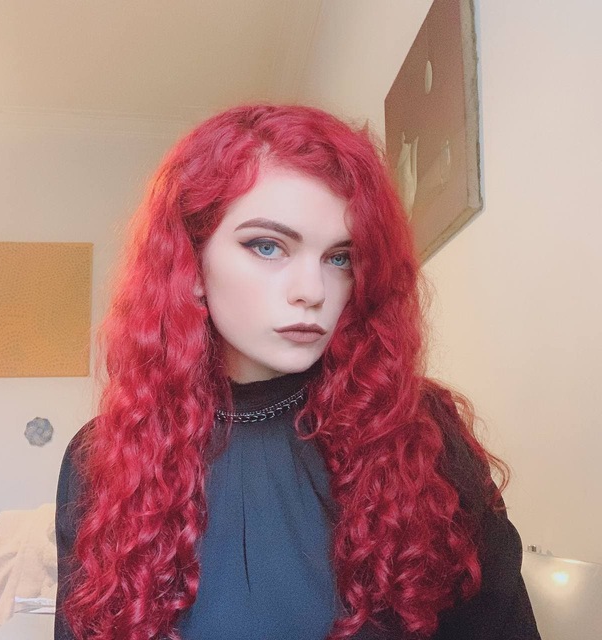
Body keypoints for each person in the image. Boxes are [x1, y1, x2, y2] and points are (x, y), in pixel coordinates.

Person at [54, 104, 541, 640]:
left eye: (339, 257)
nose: (313, 291)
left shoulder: (419, 430)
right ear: (190, 266)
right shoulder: (101, 458)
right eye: (268, 247)